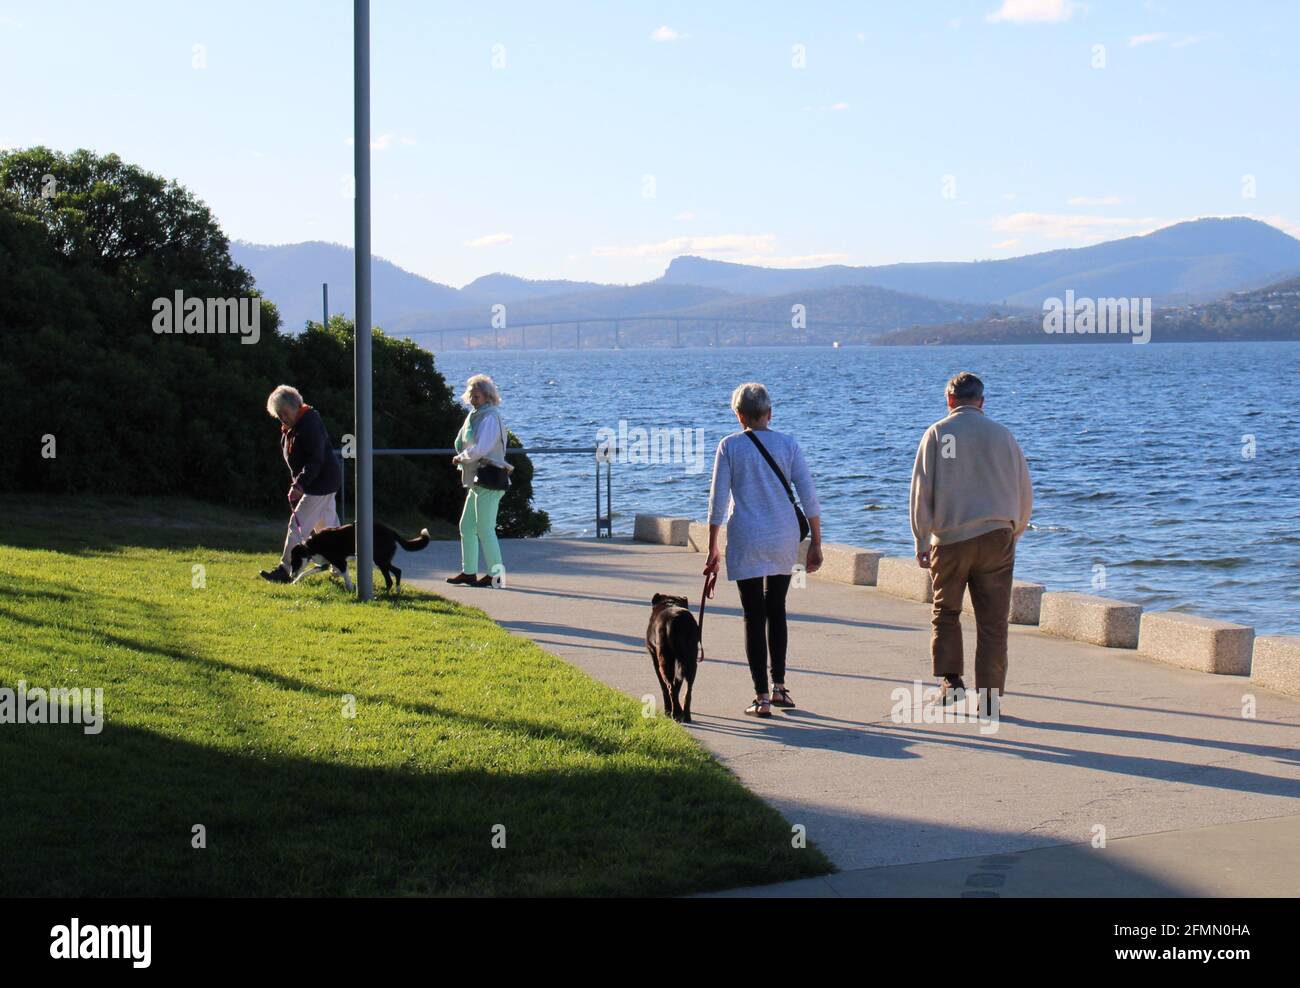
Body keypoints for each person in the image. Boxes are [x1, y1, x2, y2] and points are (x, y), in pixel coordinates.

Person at [909, 372, 1033, 715]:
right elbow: (1024, 489)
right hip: (998, 535)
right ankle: (990, 698)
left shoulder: (937, 433)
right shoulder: (1003, 435)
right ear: (982, 401)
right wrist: (1014, 530)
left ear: (949, 401)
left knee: (946, 612)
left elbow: (922, 491)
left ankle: (950, 684)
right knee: (993, 620)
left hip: (950, 538)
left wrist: (921, 537)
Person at [704, 382, 822, 718]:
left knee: (753, 614)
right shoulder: (789, 444)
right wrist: (816, 541)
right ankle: (780, 686)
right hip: (784, 536)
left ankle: (761, 697)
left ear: (739, 415)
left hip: (747, 537)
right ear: (769, 413)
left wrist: (712, 546)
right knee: (777, 608)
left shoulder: (729, 446)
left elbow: (718, 501)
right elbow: (809, 495)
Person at [260, 385, 342, 584]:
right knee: (328, 528)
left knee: (297, 525)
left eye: (284, 413)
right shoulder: (293, 427)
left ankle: (286, 569)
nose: (282, 418)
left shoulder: (310, 423)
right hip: (323, 482)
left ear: (296, 406)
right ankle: (340, 567)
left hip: (320, 483)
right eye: (278, 415)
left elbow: (315, 460)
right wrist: (298, 484)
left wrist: (299, 485)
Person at [446, 374, 512, 588]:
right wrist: (464, 456)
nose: (473, 400)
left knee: (485, 528)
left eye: (477, 396)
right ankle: (469, 571)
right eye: (471, 396)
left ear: (488, 396)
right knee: (467, 526)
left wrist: (462, 457)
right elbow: (464, 442)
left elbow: (481, 448)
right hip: (478, 480)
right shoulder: (475, 415)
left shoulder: (490, 417)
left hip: (490, 478)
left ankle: (496, 574)